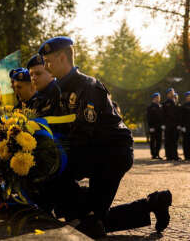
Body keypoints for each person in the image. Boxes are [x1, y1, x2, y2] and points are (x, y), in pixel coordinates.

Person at [38, 36, 172, 238]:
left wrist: (57, 164)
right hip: (94, 153)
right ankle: (153, 203)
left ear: (62, 58)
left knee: (87, 222)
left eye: (48, 62)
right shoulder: (61, 89)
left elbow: (82, 136)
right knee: (88, 216)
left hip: (111, 154)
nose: (47, 68)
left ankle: (90, 215)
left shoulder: (87, 87)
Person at [162, 88, 181, 160]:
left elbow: (179, 115)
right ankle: (169, 155)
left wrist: (179, 124)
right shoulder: (165, 103)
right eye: (170, 93)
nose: (172, 94)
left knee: (175, 141)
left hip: (175, 125)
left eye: (173, 92)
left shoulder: (176, 103)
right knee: (168, 141)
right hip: (168, 125)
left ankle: (175, 155)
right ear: (168, 94)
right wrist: (163, 124)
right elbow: (163, 115)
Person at [146, 92, 163, 159]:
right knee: (153, 141)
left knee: (159, 141)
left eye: (159, 98)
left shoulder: (161, 106)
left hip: (159, 126)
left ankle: (157, 154)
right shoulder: (150, 107)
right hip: (153, 126)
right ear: (154, 98)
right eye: (157, 98)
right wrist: (150, 127)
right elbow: (149, 117)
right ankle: (153, 154)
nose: (158, 99)